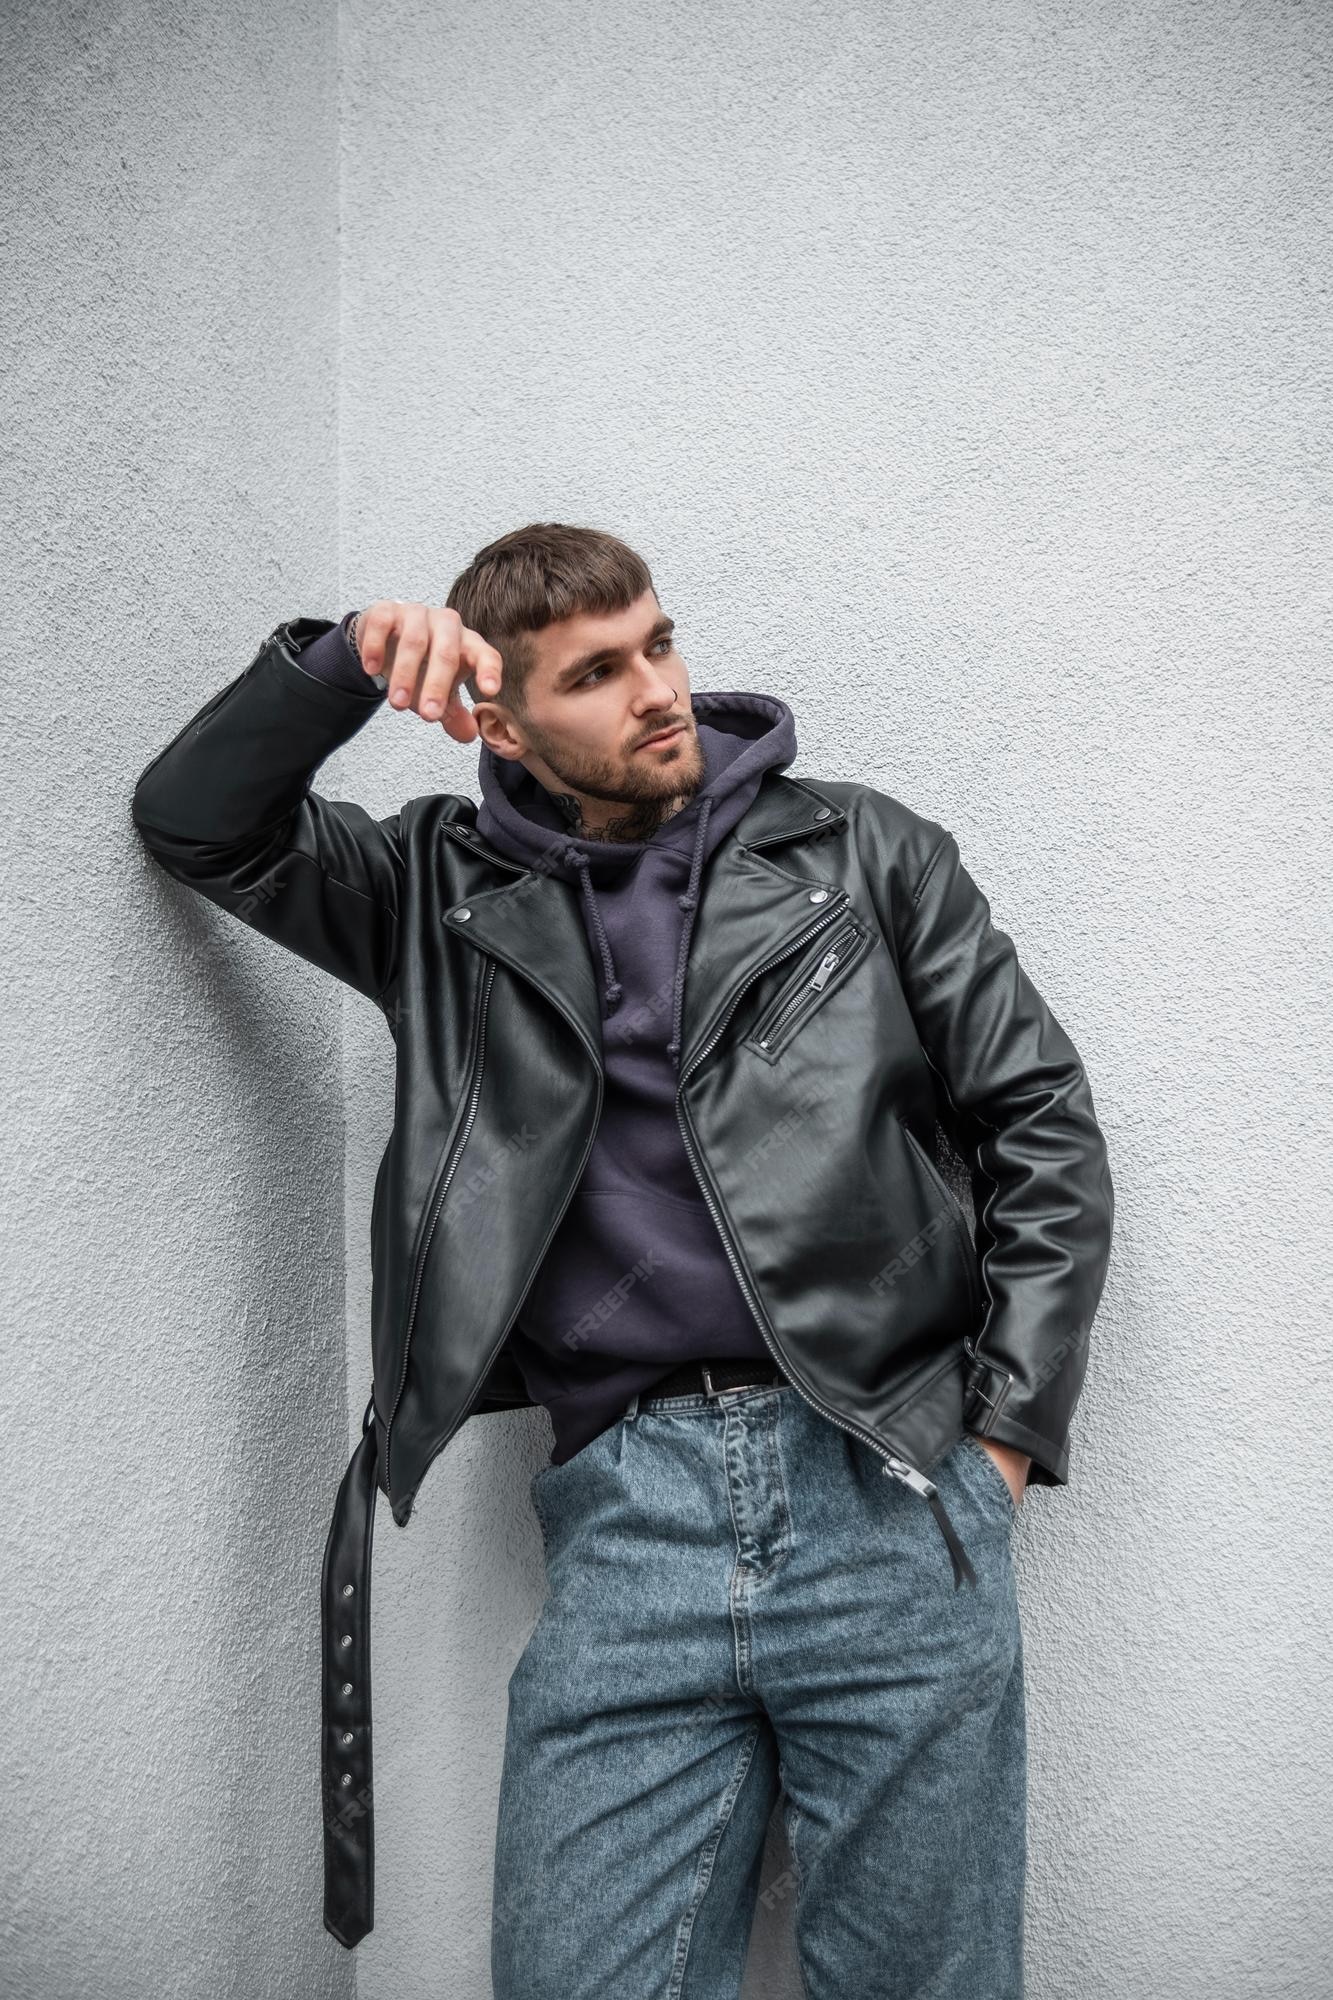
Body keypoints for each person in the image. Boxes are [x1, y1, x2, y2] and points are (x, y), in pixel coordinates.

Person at [130, 522, 1114, 1997]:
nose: (657, 689)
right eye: (597, 672)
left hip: (885, 1482)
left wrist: (1001, 1447)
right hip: (624, 1513)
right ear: (500, 718)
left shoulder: (859, 852)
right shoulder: (432, 899)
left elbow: (1040, 1126)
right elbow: (197, 825)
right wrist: (339, 664)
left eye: (658, 642)